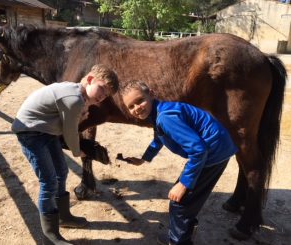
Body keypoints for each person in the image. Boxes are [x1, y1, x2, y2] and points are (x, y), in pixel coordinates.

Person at [12, 64, 119, 245]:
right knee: (49, 181)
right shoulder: (75, 98)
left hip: (46, 131)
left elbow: (68, 127)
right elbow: (70, 132)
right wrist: (78, 151)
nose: (103, 95)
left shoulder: (79, 96)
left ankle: (63, 216)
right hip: (31, 132)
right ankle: (49, 236)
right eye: (102, 88)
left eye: (106, 94)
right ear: (90, 80)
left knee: (61, 171)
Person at [120, 80, 237, 245]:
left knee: (179, 203)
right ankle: (180, 236)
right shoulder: (160, 111)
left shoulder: (165, 118)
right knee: (189, 201)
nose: (136, 108)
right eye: (131, 106)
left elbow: (198, 150)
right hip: (220, 148)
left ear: (151, 94)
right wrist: (144, 159)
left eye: (139, 100)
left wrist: (184, 183)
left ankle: (178, 241)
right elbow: (159, 137)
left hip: (212, 153)